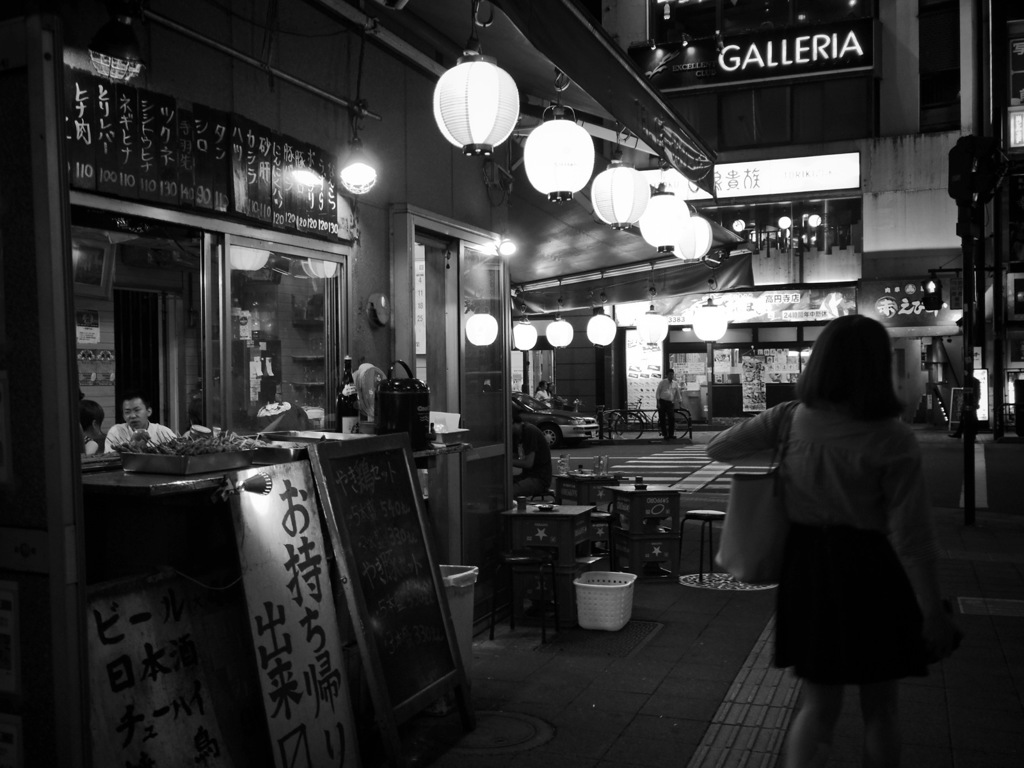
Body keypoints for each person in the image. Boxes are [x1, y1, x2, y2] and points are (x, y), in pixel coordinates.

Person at [706, 315, 962, 768]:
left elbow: (720, 448)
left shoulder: (787, 418)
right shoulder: (893, 437)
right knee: (881, 707)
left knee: (817, 705)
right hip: (874, 571)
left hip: (810, 572)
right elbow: (912, 536)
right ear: (876, 366)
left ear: (821, 361)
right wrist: (930, 610)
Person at [104, 390, 178, 452]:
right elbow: (109, 458)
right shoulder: (116, 432)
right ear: (123, 415)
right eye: (127, 412)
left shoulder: (162, 432)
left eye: (137, 410)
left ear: (149, 411)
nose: (132, 416)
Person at [511, 413, 552, 498]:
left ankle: (517, 509)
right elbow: (514, 455)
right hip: (526, 475)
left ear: (513, 423)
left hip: (539, 478)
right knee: (502, 485)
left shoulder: (529, 431)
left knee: (510, 491)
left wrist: (508, 461)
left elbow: (528, 463)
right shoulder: (515, 435)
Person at [950, 374, 980, 440]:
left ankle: (962, 433)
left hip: (969, 403)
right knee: (967, 417)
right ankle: (961, 433)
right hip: (971, 403)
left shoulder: (969, 381)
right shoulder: (975, 381)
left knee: (968, 417)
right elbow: (977, 393)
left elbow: (969, 393)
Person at [655, 368, 681, 440]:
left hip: (670, 402)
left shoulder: (675, 383)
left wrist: (679, 401)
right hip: (662, 401)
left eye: (672, 374)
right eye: (670, 374)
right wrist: (658, 402)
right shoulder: (662, 382)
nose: (671, 376)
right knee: (662, 418)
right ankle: (665, 434)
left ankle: (671, 434)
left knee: (671, 418)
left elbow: (678, 393)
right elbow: (658, 393)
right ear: (667, 375)